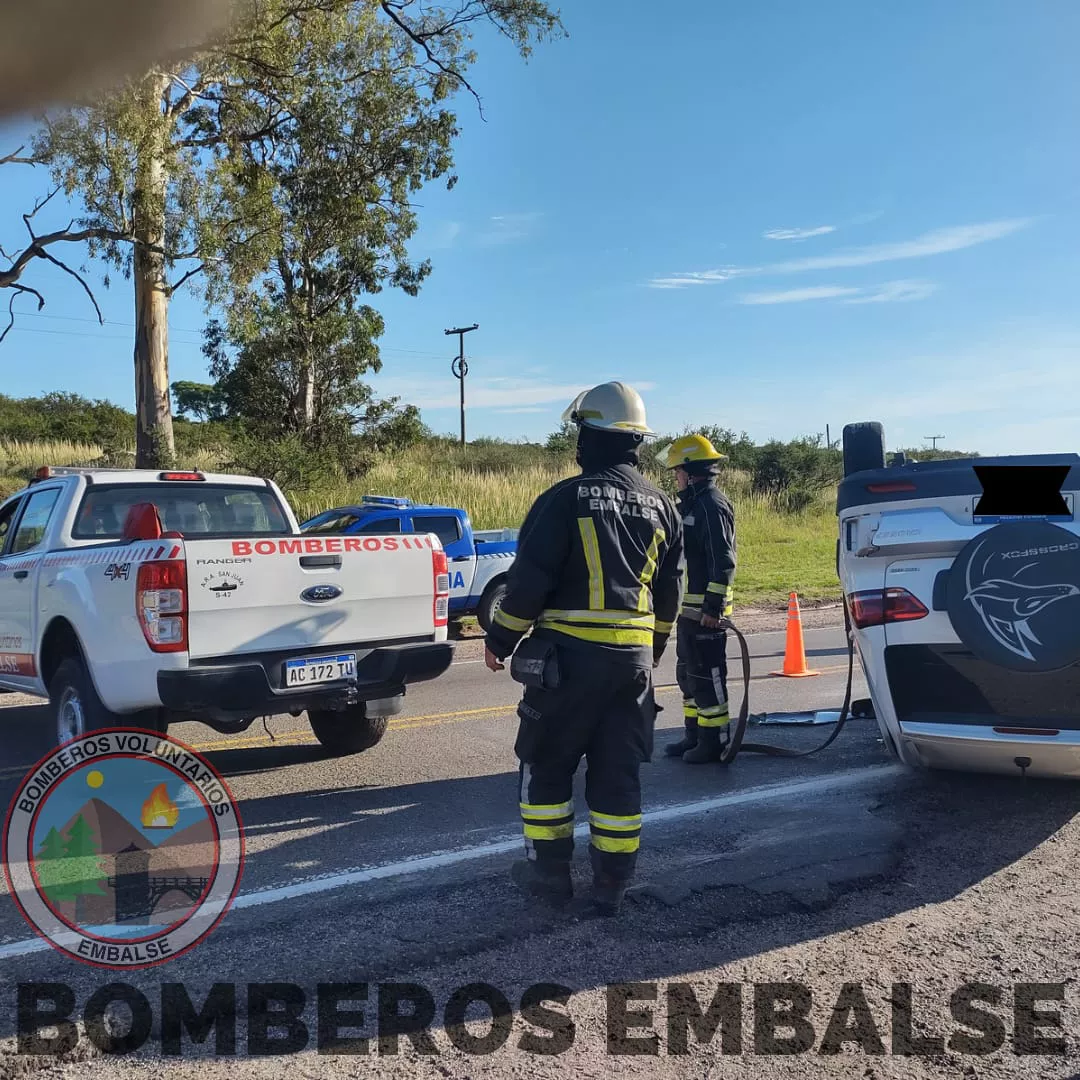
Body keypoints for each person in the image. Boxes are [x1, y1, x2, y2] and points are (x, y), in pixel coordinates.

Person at [484, 381, 684, 915]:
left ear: (590, 435)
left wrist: (500, 638)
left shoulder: (561, 500)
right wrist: (653, 648)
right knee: (618, 774)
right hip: (633, 668)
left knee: (546, 766)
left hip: (567, 664)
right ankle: (611, 884)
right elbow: (670, 593)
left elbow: (530, 582)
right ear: (636, 440)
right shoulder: (664, 505)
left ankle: (549, 878)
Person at [661, 433, 738, 764]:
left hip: (705, 613)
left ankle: (715, 741)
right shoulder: (689, 506)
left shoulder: (712, 505)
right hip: (688, 613)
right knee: (689, 676)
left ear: (691, 472)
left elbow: (723, 561)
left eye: (678, 471)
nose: (675, 477)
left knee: (709, 677)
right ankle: (694, 736)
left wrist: (713, 607)